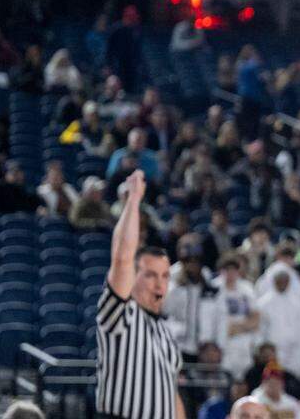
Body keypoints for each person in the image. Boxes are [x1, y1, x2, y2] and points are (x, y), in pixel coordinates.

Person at [95, 170, 185, 419]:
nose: (159, 284)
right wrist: (133, 201)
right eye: (150, 275)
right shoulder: (121, 314)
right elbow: (122, 258)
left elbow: (171, 393)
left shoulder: (164, 330)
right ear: (133, 278)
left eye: (165, 276)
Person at [214, 253, 260, 381]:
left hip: (245, 347)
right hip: (223, 347)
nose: (230, 273)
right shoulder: (214, 288)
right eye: (227, 269)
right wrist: (244, 325)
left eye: (233, 269)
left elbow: (256, 319)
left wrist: (236, 327)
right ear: (221, 271)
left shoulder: (247, 288)